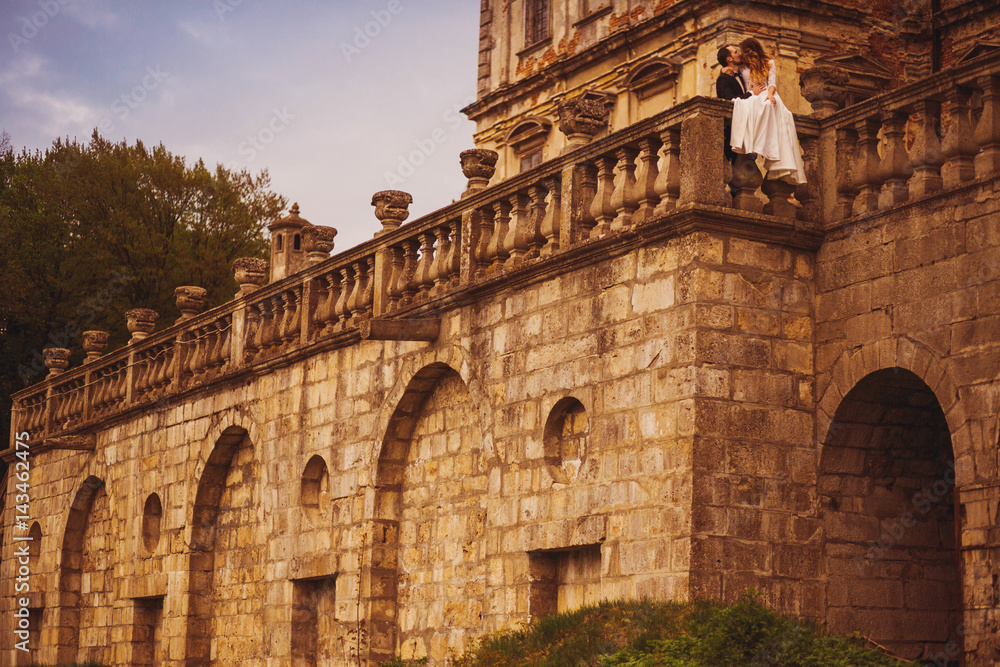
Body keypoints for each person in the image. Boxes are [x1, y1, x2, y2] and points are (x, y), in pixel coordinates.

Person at [729, 37, 806, 184]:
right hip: (752, 94)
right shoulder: (743, 66)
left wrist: (770, 95)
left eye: (742, 50)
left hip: (766, 93)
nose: (740, 53)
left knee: (767, 105)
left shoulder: (769, 63)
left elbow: (772, 83)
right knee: (751, 106)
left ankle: (763, 145)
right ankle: (753, 144)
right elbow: (731, 69)